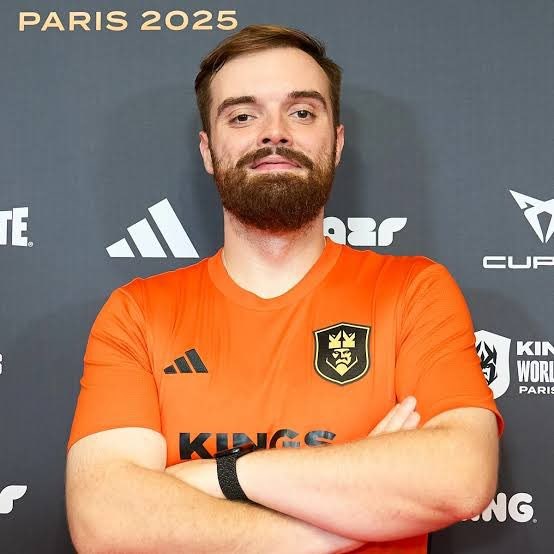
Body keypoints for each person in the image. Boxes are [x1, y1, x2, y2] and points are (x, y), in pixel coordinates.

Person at [65, 24, 504, 554]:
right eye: (243, 116)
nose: (274, 134)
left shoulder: (413, 291)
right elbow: (105, 520)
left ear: (337, 142)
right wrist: (346, 517)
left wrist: (221, 476)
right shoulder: (138, 313)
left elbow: (460, 477)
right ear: (207, 151)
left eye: (301, 112)